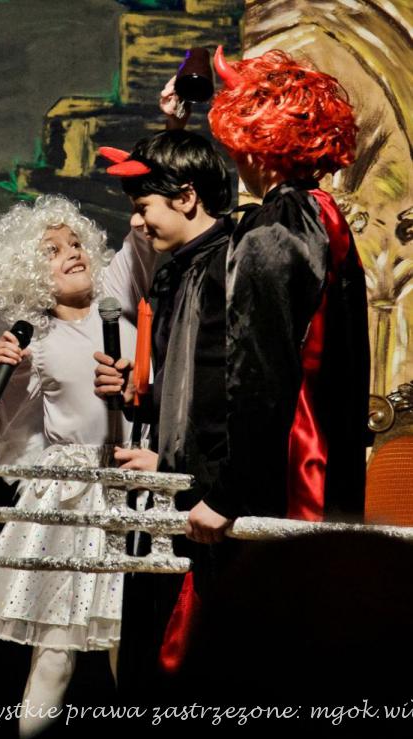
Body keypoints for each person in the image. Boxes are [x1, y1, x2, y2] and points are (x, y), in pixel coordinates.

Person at [95, 48, 370, 692]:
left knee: (249, 667)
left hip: (288, 485)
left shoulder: (277, 230)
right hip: (305, 472)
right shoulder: (315, 215)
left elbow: (259, 377)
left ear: (259, 141)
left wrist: (225, 494)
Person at [0, 194, 156, 738]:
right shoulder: (32, 341)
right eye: (51, 250)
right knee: (56, 653)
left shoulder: (120, 300)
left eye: (75, 242)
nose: (71, 252)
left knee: (133, 645)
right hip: (73, 496)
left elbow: (143, 235)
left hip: (139, 481)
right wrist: (4, 371)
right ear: (26, 270)